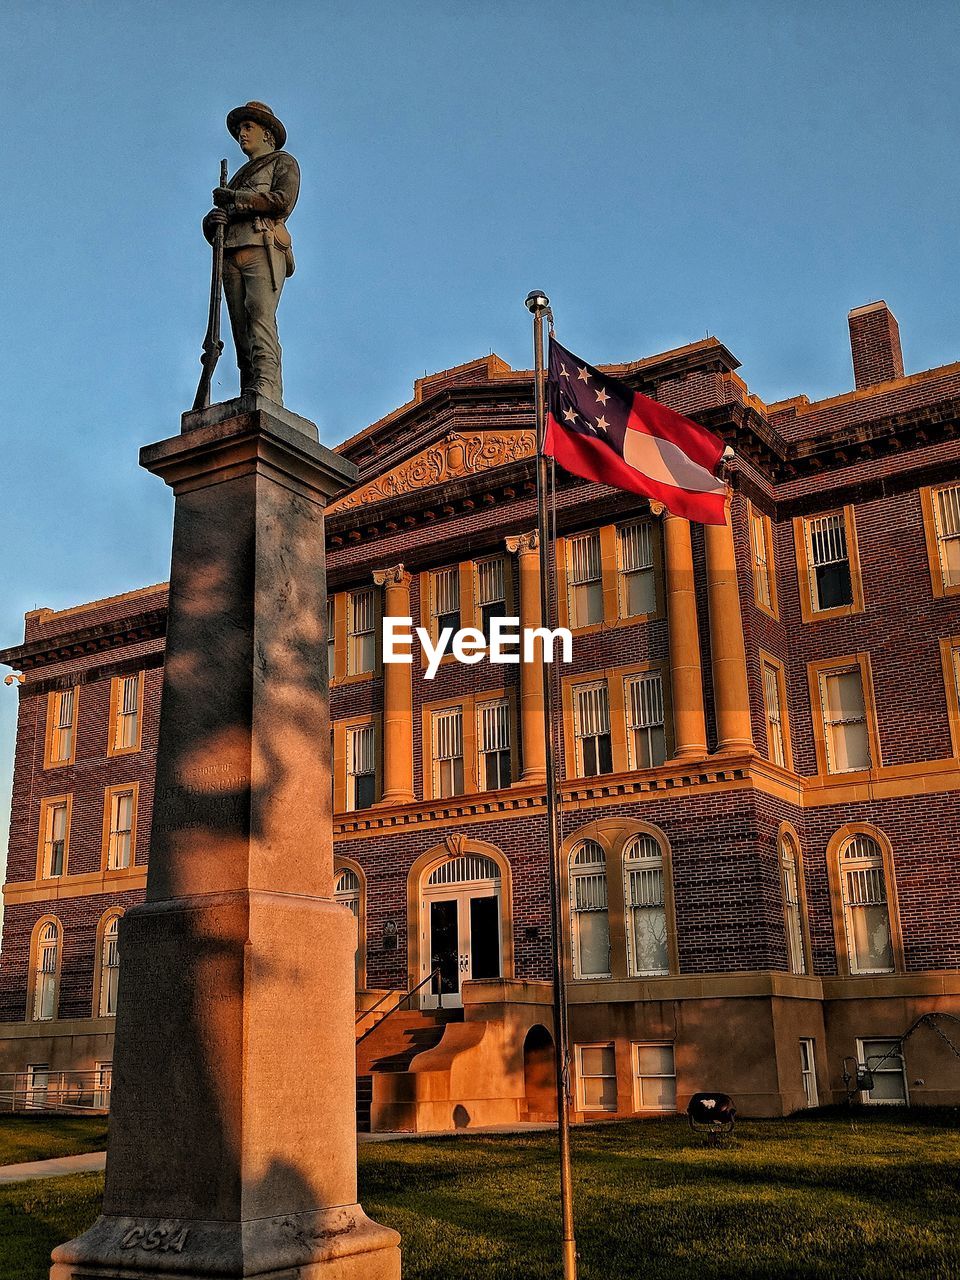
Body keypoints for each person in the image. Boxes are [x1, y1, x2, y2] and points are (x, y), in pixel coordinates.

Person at [203, 101, 300, 405]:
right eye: (240, 129)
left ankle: (267, 385)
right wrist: (212, 221)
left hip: (263, 244)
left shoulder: (282, 163)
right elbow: (220, 220)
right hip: (231, 250)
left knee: (259, 315)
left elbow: (282, 200)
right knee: (240, 328)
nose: (242, 134)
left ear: (267, 133)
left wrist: (236, 198)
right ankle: (250, 386)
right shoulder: (236, 177)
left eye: (248, 127)